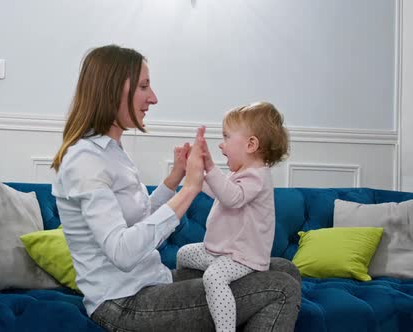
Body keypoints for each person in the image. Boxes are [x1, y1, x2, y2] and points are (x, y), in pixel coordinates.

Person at [51, 44, 300, 331]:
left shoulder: (112, 152)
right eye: (144, 86)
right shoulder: (85, 161)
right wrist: (190, 189)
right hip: (123, 303)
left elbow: (140, 221)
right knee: (281, 288)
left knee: (285, 268)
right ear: (114, 90)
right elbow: (121, 252)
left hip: (151, 281)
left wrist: (174, 179)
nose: (153, 98)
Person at [176, 102, 289, 331]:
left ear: (251, 144)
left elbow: (232, 198)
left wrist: (209, 165)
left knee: (214, 278)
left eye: (226, 137)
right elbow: (218, 191)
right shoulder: (239, 173)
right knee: (183, 254)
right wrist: (195, 170)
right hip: (221, 251)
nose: (221, 144)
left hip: (243, 256)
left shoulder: (258, 177)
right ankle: (187, 300)